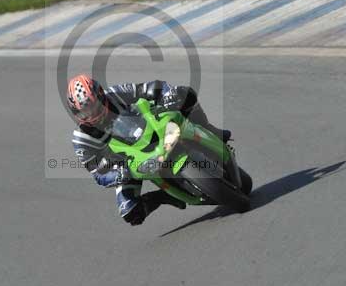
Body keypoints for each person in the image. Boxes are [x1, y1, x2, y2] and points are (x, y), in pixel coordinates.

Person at [67, 74, 231, 226]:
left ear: (101, 96)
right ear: (76, 112)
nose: (92, 114)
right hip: (128, 162)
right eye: (85, 112)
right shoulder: (81, 138)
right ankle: (164, 197)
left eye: (94, 107)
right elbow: (97, 173)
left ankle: (210, 130)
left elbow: (153, 87)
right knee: (131, 212)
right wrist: (118, 175)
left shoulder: (116, 93)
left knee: (185, 95)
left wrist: (168, 96)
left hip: (150, 127)